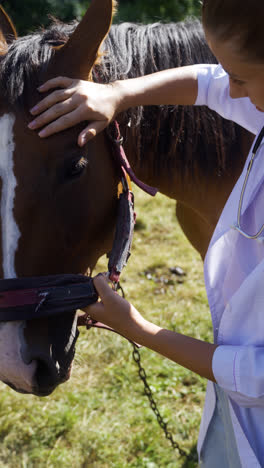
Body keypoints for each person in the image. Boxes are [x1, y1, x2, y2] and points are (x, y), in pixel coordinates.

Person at [28, 1, 264, 466]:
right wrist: (118, 93)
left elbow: (257, 377)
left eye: (241, 76)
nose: (231, 90)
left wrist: (136, 327)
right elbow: (210, 83)